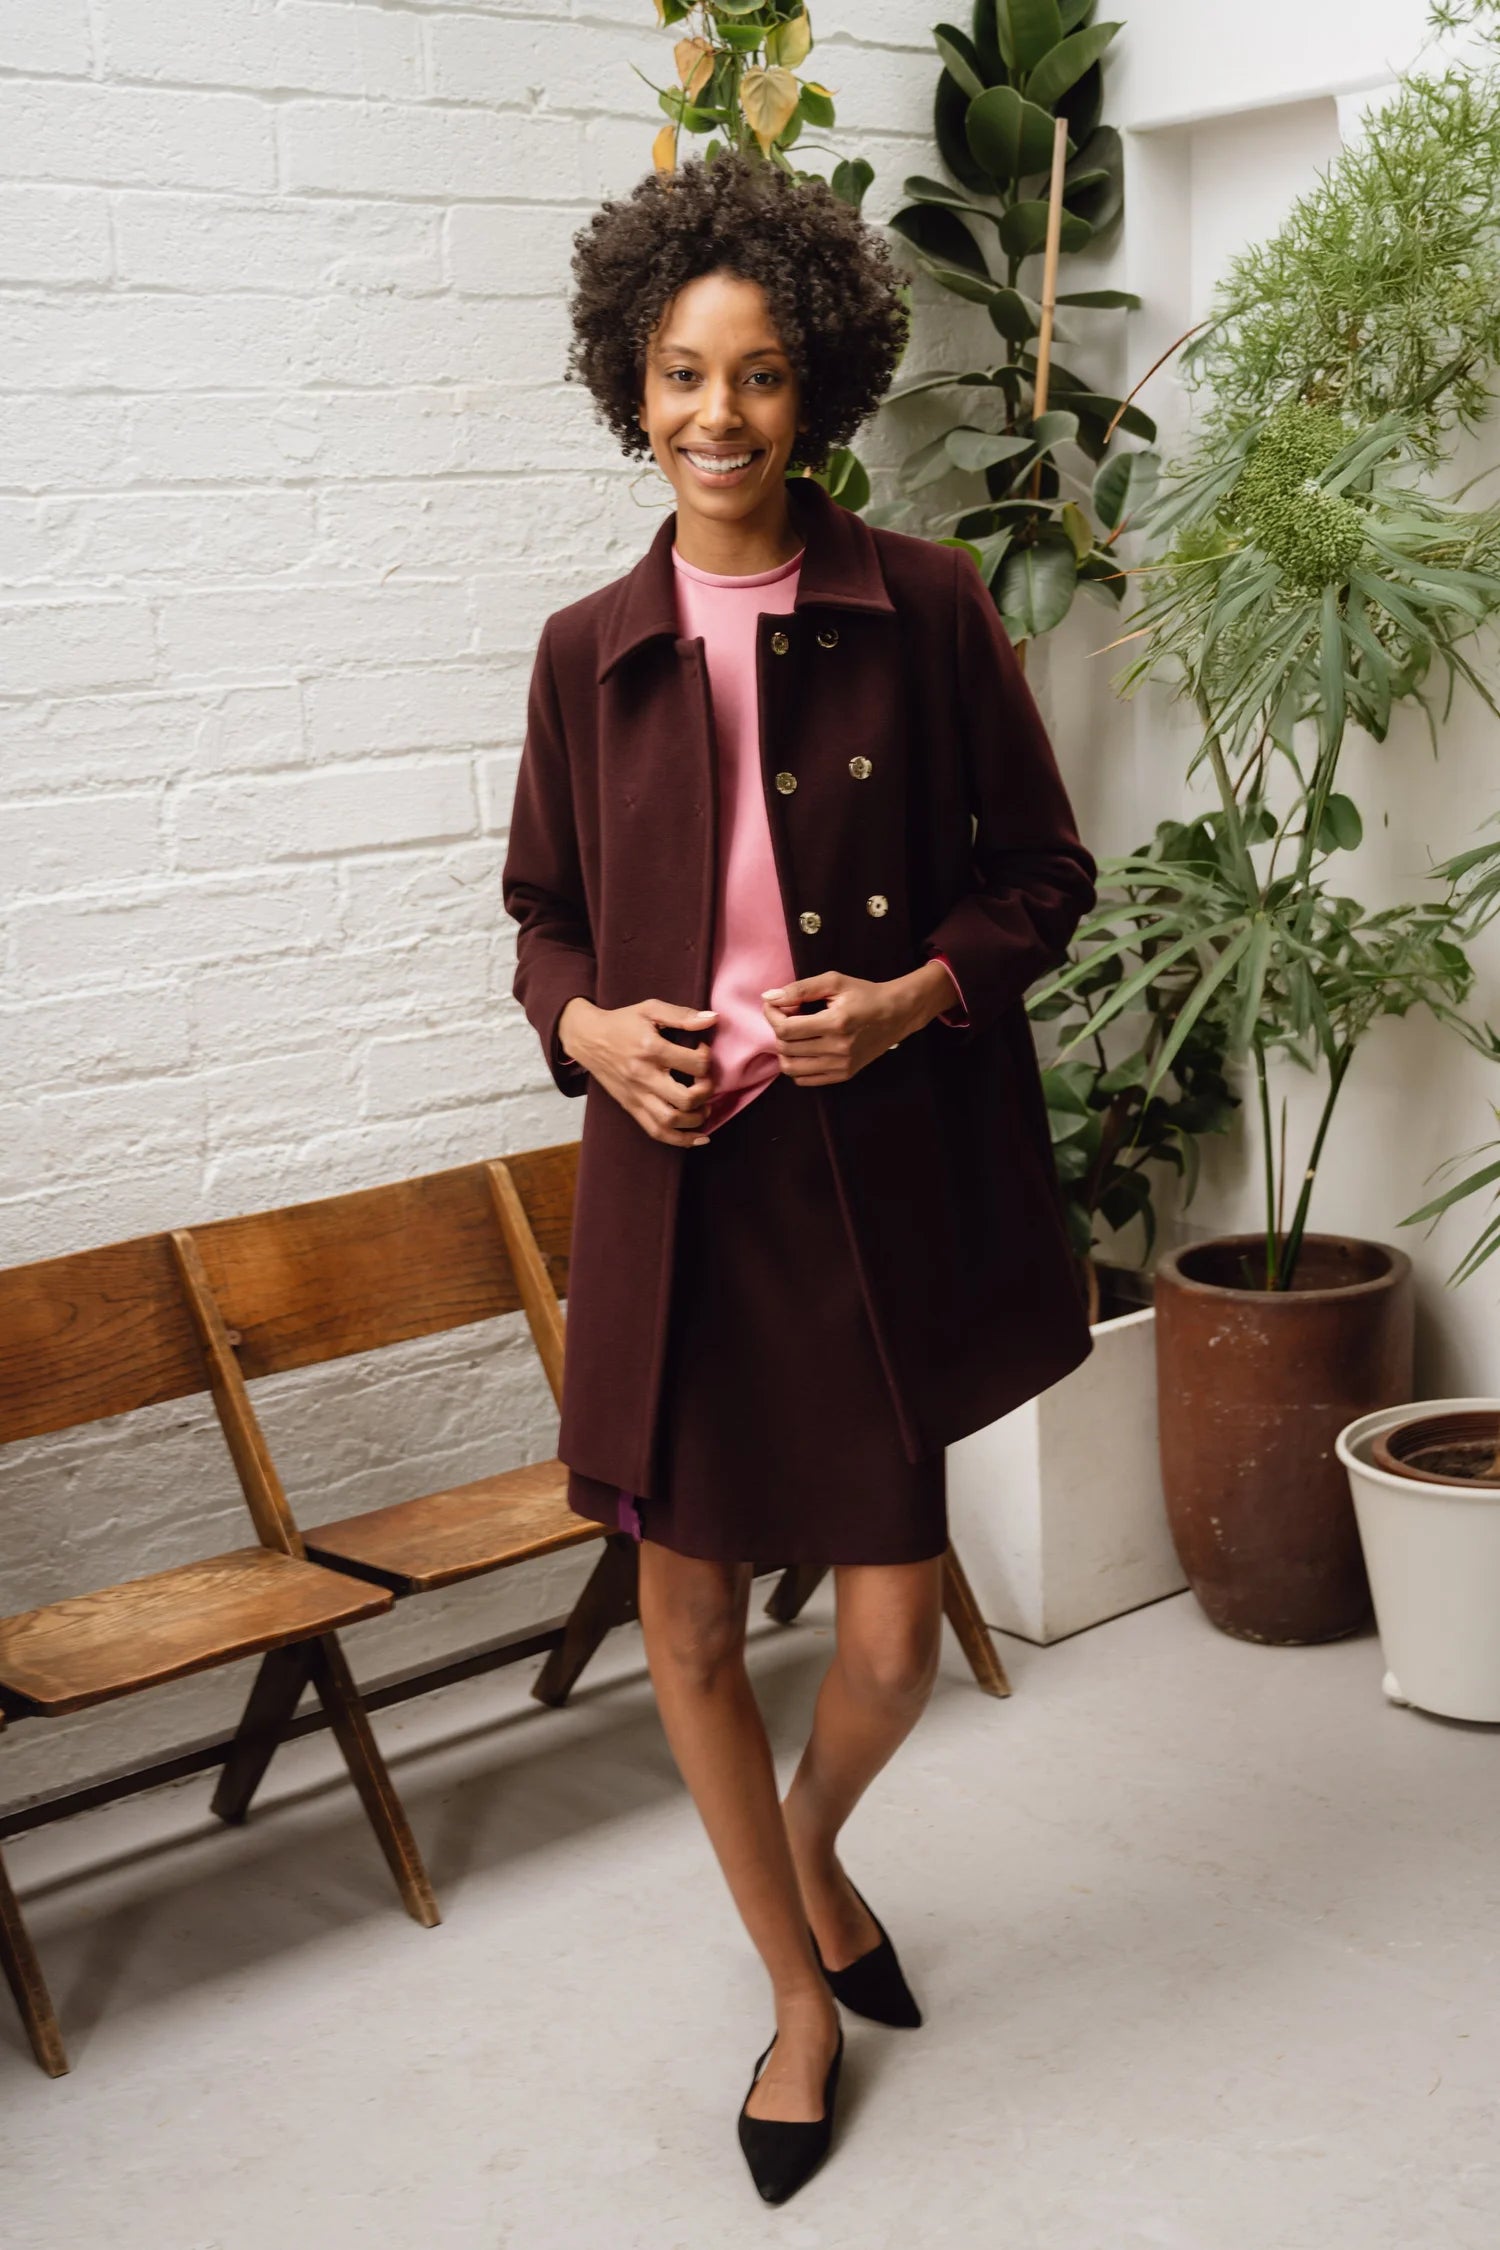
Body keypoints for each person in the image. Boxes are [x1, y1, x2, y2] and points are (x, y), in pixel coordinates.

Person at [502, 152, 1096, 2205]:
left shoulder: (923, 607)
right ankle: (794, 1992)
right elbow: (542, 919)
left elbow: (1045, 877)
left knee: (892, 1643)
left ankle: (814, 1852)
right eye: (682, 373)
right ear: (631, 383)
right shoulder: (583, 649)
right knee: (680, 1627)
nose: (719, 414)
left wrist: (916, 995)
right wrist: (585, 1028)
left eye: (758, 374)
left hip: (863, 1196)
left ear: (816, 384)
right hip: (673, 1204)